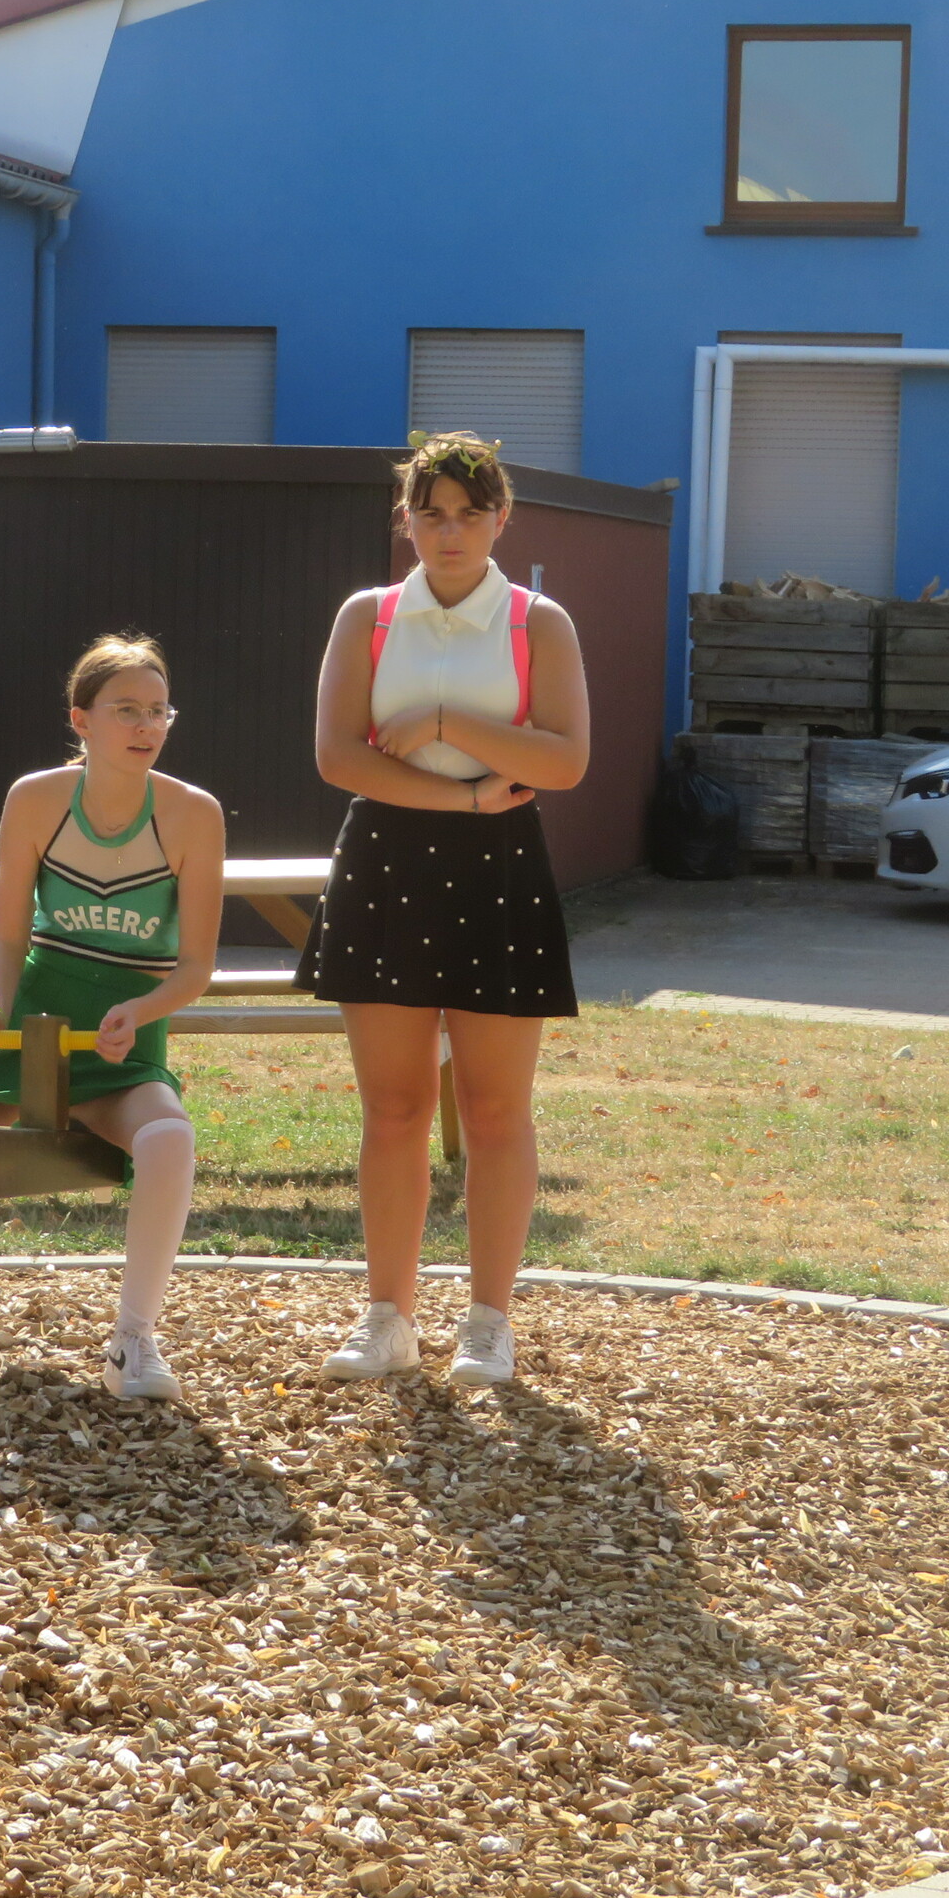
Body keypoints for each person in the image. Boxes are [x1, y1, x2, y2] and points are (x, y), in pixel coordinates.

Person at [297, 432, 590, 1388]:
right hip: (387, 860)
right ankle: (387, 1319)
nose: (450, 532)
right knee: (393, 1108)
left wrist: (443, 724)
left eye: (469, 514)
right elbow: (340, 757)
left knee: (495, 1110)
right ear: (407, 521)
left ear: (502, 519)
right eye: (431, 514)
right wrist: (465, 793)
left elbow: (565, 761)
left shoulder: (540, 622)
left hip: (501, 865)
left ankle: (488, 1324)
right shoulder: (368, 615)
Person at [0, 635, 225, 1399]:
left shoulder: (194, 814)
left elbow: (196, 969)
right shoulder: (35, 798)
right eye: (127, 710)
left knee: (169, 1137)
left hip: (122, 1043)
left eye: (159, 710)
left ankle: (134, 1342)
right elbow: (7, 941)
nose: (146, 726)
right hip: (32, 1028)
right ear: (81, 719)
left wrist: (140, 1011)